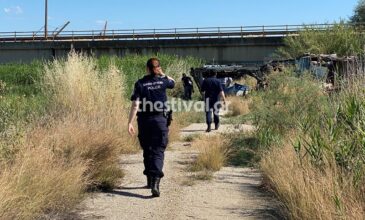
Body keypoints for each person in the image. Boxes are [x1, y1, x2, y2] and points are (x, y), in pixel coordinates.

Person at [128, 58, 175, 197]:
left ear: (147, 68)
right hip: (160, 120)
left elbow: (135, 105)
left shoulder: (140, 83)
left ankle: (149, 180)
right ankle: (155, 182)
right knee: (158, 150)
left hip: (144, 121)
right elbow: (173, 82)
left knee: (147, 149)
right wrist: (162, 73)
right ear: (158, 68)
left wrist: (129, 122)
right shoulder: (164, 80)